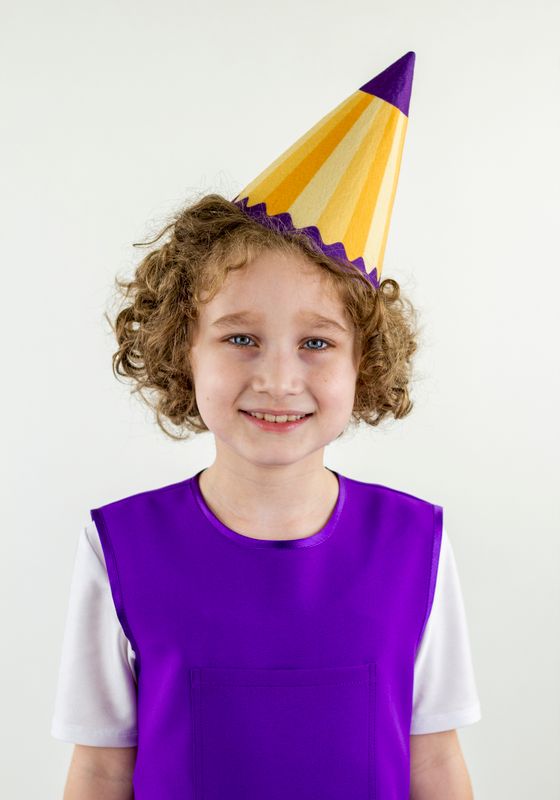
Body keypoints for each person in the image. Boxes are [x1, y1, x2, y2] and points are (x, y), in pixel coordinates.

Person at [51, 52, 481, 799]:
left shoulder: (417, 543)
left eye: (316, 342)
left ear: (365, 363)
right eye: (241, 337)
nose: (279, 379)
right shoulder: (119, 546)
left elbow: (435, 758)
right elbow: (99, 767)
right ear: (182, 348)